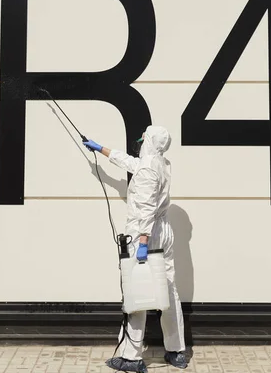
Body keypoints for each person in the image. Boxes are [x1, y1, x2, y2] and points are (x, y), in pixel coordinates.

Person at [83, 126, 187, 373]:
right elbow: (131, 163)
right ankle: (176, 351)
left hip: (144, 234)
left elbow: (146, 207)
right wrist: (102, 149)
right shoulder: (160, 163)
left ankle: (132, 357)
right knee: (168, 290)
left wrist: (142, 243)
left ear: (149, 142)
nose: (140, 142)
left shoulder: (147, 170)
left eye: (143, 139)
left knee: (137, 292)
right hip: (163, 233)